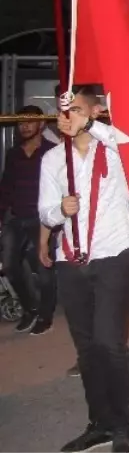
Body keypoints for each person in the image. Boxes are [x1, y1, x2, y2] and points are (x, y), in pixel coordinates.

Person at [39, 87, 129, 453]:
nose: (69, 118)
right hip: (71, 261)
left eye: (77, 110)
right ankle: (99, 422)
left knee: (109, 342)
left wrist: (92, 124)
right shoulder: (53, 160)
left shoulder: (113, 150)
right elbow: (44, 210)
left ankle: (123, 424)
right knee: (86, 349)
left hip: (114, 254)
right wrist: (59, 211)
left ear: (94, 112)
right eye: (65, 112)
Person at [1, 105, 57, 334]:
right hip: (16, 218)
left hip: (41, 220)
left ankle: (45, 315)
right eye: (20, 122)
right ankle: (29, 309)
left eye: (29, 121)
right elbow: (6, 188)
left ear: (41, 124)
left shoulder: (52, 152)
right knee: (10, 267)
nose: (24, 126)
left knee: (44, 270)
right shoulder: (14, 154)